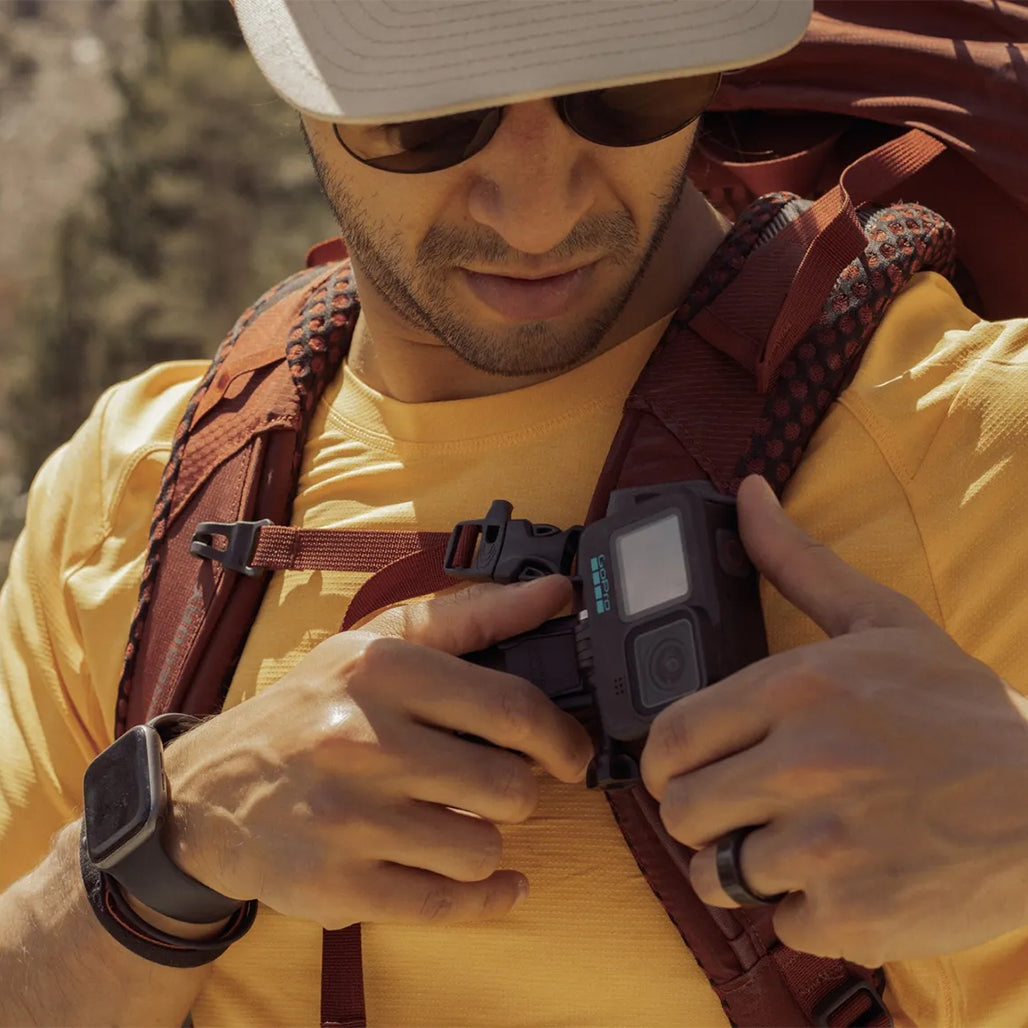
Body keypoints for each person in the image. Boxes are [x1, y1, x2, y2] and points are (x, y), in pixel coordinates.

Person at [2, 1, 1028, 1026]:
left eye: (626, 88)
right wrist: (165, 846)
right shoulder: (128, 496)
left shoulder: (971, 451)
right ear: (290, 70)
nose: (535, 213)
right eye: (433, 113)